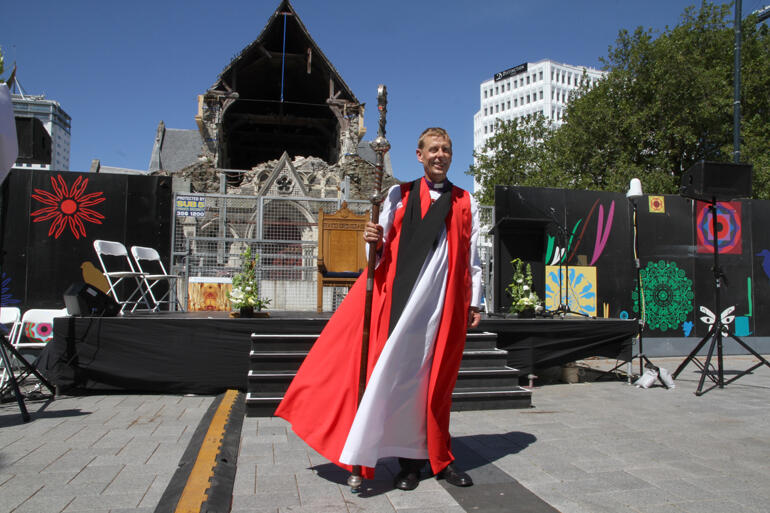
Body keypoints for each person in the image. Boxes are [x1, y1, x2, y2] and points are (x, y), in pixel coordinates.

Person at [275, 127, 482, 491]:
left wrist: (476, 300)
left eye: (446, 149)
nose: (440, 155)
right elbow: (379, 252)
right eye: (433, 149)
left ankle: (441, 458)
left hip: (444, 305)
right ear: (419, 155)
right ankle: (409, 465)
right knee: (401, 381)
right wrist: (372, 240)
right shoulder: (397, 195)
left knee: (437, 385)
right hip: (400, 303)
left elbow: (473, 258)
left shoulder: (466, 201)